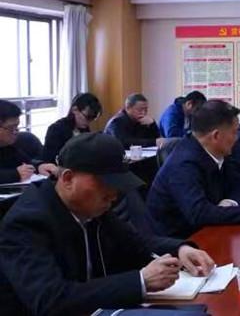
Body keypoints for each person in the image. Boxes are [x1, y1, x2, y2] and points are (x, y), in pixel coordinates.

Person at [0, 132, 215, 315]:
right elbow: (50, 300)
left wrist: (180, 249)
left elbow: (137, 243)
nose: (113, 194)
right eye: (106, 184)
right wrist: (140, 281)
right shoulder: (26, 223)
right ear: (67, 179)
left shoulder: (93, 209)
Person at [146, 100, 240, 238]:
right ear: (216, 136)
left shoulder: (219, 152)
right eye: (234, 133)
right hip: (181, 241)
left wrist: (230, 203)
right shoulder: (183, 164)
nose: (237, 138)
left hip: (212, 230)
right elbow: (199, 213)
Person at [0, 100, 57, 183]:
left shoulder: (8, 146)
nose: (16, 132)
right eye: (11, 127)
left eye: (17, 126)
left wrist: (39, 167)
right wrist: (15, 174)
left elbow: (26, 162)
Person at [41, 92, 102, 163]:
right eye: (87, 117)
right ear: (75, 110)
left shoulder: (84, 129)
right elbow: (49, 160)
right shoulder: (56, 130)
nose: (89, 122)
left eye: (92, 118)